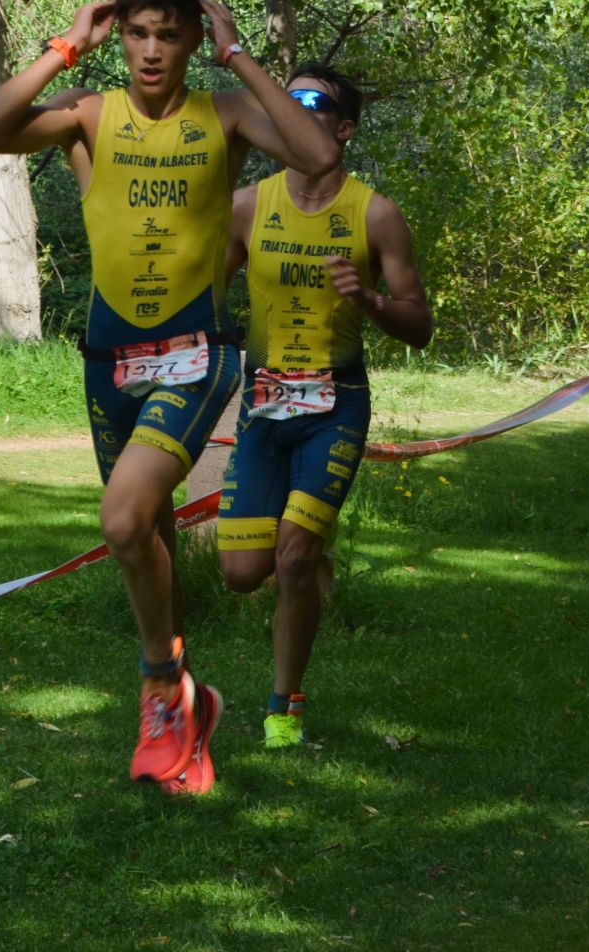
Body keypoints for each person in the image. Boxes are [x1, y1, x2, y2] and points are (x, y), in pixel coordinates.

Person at [0, 0, 340, 796]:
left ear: (194, 38)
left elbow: (314, 152)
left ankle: (163, 687)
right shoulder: (89, 115)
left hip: (197, 354)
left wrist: (240, 56)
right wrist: (65, 46)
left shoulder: (227, 114)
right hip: (106, 362)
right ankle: (187, 723)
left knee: (122, 521)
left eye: (170, 34)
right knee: (151, 535)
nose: (152, 51)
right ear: (119, 36)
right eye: (136, 33)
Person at [217, 66, 433, 749]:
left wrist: (370, 301)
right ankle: (307, 562)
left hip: (337, 404)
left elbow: (419, 324)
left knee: (294, 556)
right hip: (262, 404)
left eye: (314, 104)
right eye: (287, 98)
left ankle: (285, 704)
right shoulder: (249, 205)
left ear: (343, 128)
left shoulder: (375, 214)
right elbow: (202, 291)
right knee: (242, 573)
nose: (295, 110)